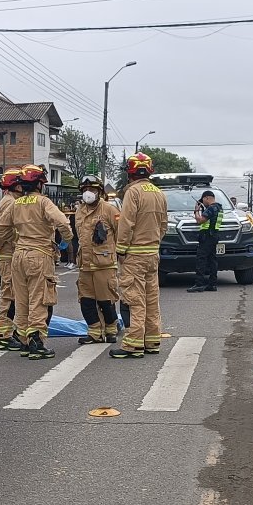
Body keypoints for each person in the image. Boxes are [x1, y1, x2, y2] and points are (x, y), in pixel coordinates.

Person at [0, 164, 71, 360]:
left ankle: (24, 341)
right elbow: (62, 221)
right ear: (39, 184)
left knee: (21, 300)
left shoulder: (15, 204)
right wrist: (67, 238)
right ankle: (36, 342)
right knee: (39, 298)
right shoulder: (43, 202)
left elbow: (1, 228)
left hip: (18, 256)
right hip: (39, 255)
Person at [111, 152, 168, 359]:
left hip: (134, 255)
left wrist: (121, 248)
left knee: (135, 299)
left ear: (130, 173)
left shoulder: (133, 192)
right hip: (152, 254)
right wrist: (153, 243)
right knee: (151, 298)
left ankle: (133, 344)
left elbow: (126, 223)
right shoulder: (159, 193)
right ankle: (152, 340)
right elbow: (163, 226)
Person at [74, 176, 121, 344]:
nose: (88, 193)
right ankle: (94, 331)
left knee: (106, 300)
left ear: (99, 192)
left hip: (104, 264)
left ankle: (110, 329)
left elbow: (120, 233)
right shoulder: (79, 211)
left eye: (92, 190)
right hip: (85, 265)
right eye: (85, 190)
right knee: (86, 300)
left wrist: (121, 254)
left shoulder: (109, 210)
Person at [0, 168, 23, 351]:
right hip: (8, 254)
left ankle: (9, 332)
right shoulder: (10, 203)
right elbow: (3, 229)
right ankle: (5, 335)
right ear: (16, 185)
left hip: (9, 253)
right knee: (9, 295)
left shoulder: (9, 200)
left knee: (12, 294)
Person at [187, 190, 223, 293]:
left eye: (203, 200)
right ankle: (212, 284)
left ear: (207, 198)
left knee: (201, 260)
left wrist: (196, 211)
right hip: (214, 235)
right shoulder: (219, 208)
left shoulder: (211, 208)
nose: (203, 202)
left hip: (207, 237)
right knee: (212, 260)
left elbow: (199, 221)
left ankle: (199, 284)